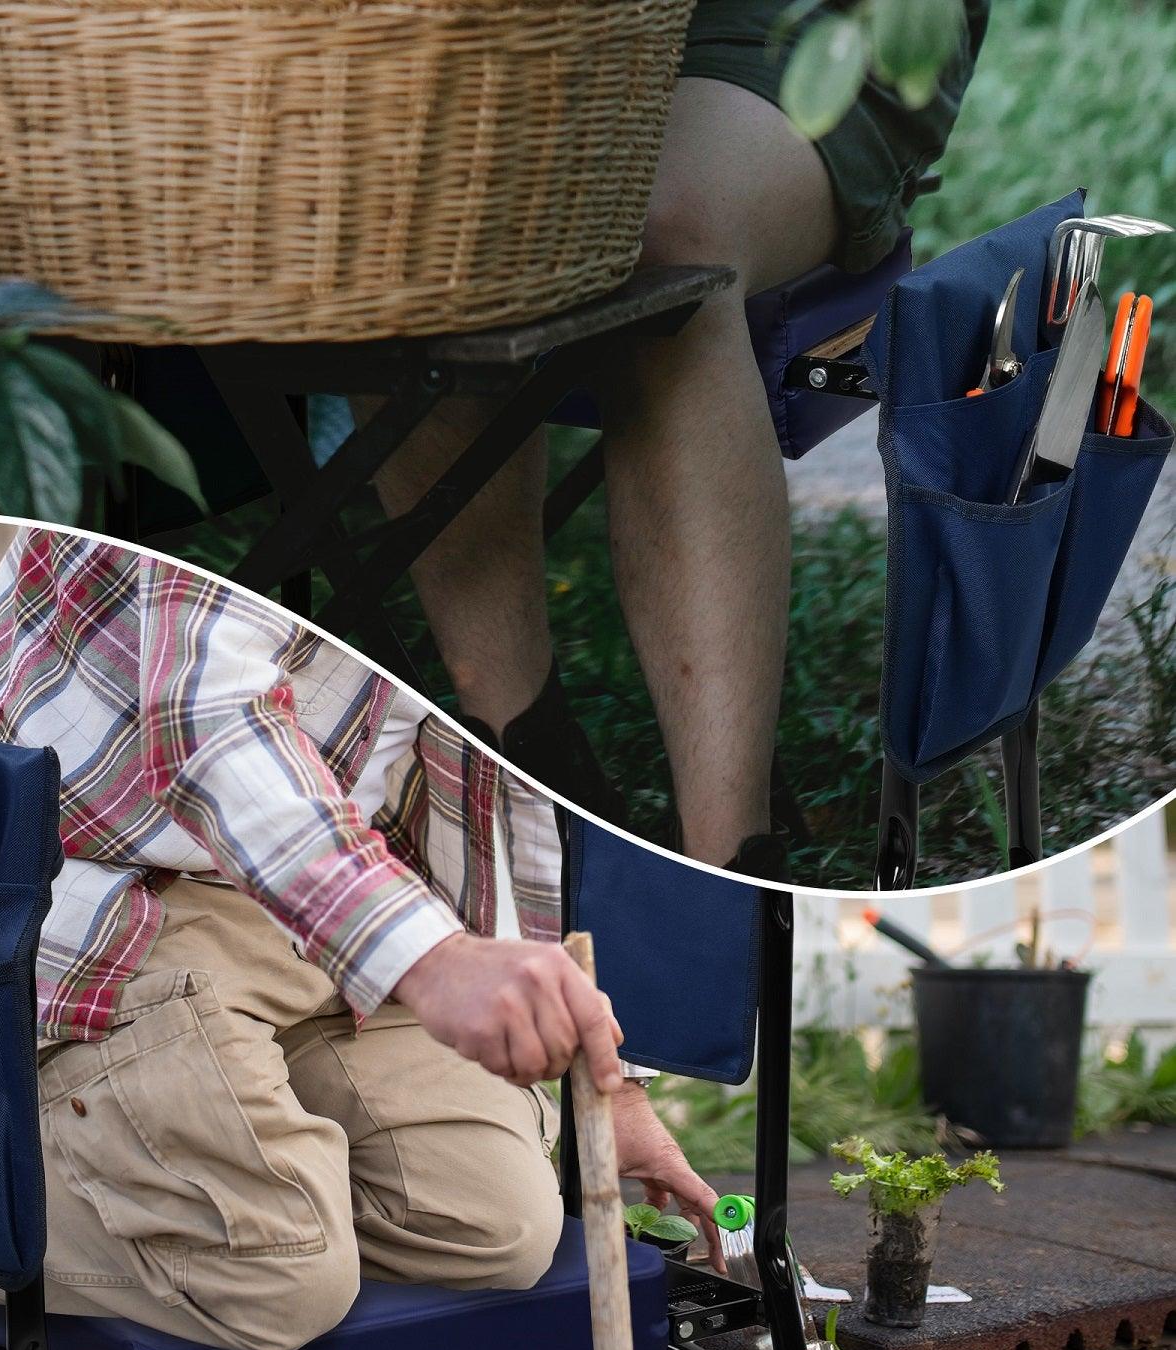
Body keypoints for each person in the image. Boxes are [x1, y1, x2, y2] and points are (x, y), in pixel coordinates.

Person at [0, 529, 724, 1350]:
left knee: (501, 1226)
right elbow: (208, 722)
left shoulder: (482, 488)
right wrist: (430, 962)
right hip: (118, 896)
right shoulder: (232, 435)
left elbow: (512, 782)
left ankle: (219, 1157)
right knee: (286, 1276)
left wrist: (612, 1087)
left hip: (334, 911)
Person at [360, 1, 989, 879]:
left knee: (658, 238)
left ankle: (733, 863)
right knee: (388, 220)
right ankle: (527, 760)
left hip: (787, 22)